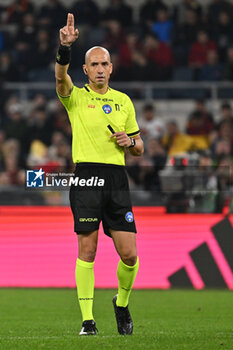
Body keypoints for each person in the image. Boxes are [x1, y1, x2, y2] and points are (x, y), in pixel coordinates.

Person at [55, 13, 144, 336]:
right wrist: (64, 48)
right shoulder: (76, 97)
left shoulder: (123, 102)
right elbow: (60, 78)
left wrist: (130, 141)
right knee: (87, 250)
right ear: (86, 70)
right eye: (94, 65)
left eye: (104, 64)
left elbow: (139, 147)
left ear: (111, 68)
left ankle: (121, 303)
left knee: (130, 255)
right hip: (87, 178)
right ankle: (88, 321)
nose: (100, 69)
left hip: (117, 179)